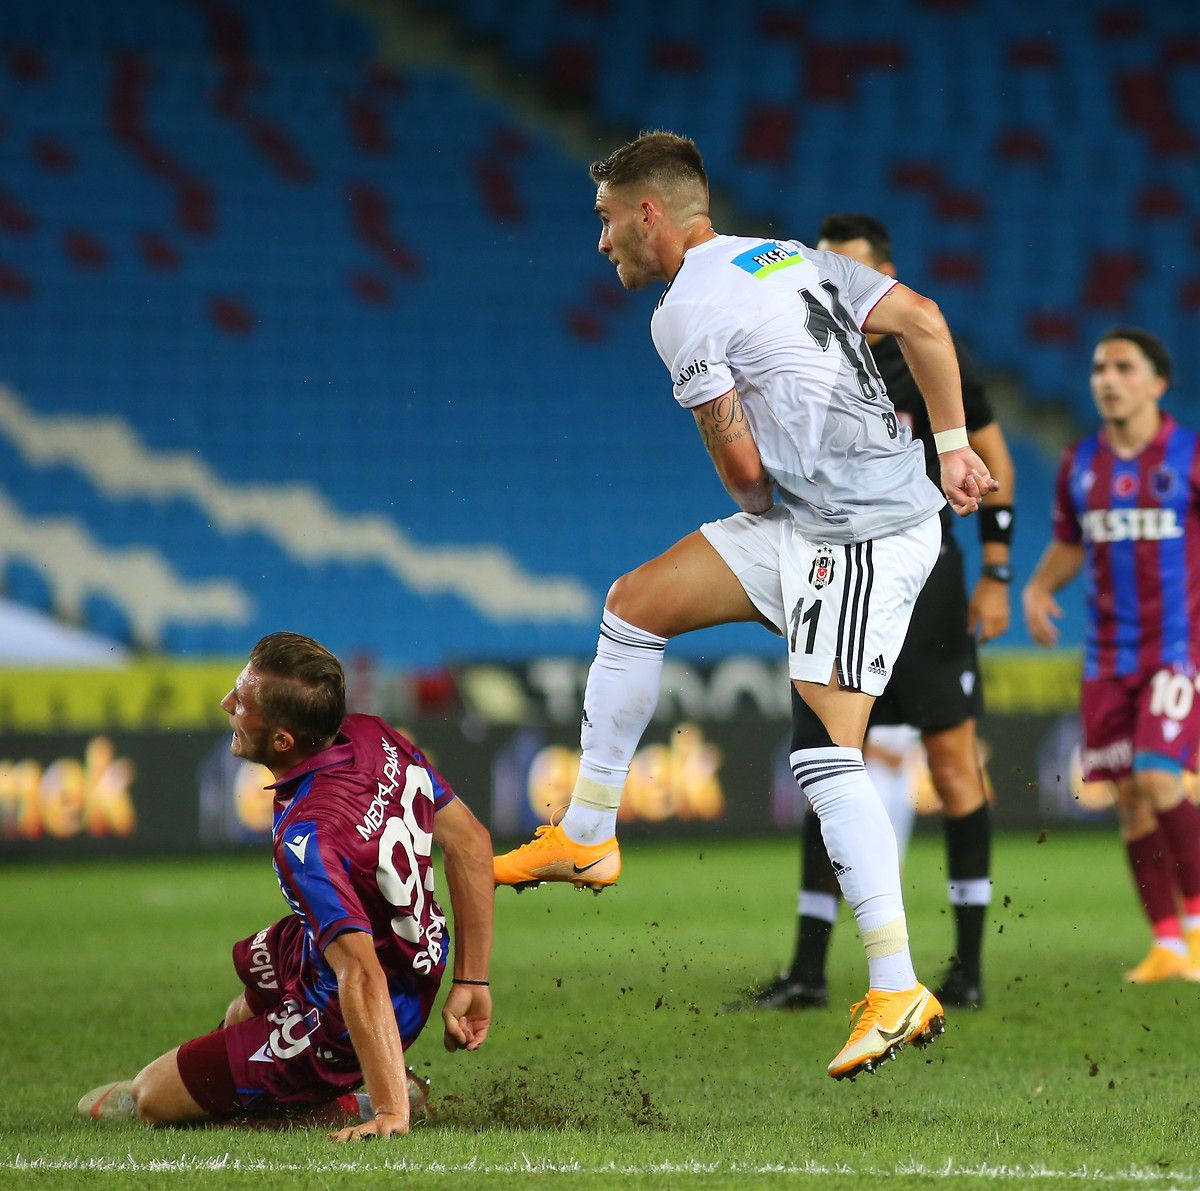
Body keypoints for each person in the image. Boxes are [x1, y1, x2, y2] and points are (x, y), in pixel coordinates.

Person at [493, 132, 998, 1080]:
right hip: (828, 514)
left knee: (821, 753)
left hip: (859, 532)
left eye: (606, 220)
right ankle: (590, 832)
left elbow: (743, 476)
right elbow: (926, 319)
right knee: (635, 603)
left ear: (651, 212)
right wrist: (956, 443)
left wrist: (779, 501)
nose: (601, 242)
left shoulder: (685, 310)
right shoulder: (788, 256)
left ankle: (896, 987)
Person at [740, 214, 1016, 1014]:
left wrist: (997, 572)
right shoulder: (808, 360)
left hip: (927, 581)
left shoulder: (932, 362)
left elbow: (994, 465)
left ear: (886, 274)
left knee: (956, 766)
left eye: (855, 273)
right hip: (833, 569)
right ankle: (807, 969)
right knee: (830, 760)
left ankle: (965, 966)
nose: (841, 291)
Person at [77, 632, 494, 1140]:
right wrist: (472, 981)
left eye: (242, 702)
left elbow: (361, 974)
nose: (225, 704)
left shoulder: (308, 836)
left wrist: (389, 1113)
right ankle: (260, 1080)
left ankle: (358, 1099)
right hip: (397, 943)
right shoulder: (372, 733)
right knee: (238, 1015)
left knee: (150, 1101)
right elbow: (471, 842)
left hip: (365, 992)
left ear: (282, 741)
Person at [1023, 328, 1200, 984]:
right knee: (1128, 797)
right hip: (1106, 658)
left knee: (1159, 776)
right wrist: (1040, 586)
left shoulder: (1189, 456)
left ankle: (1199, 927)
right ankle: (1166, 944)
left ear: (1157, 383)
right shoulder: (1081, 463)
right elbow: (1072, 539)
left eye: (1123, 367)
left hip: (1178, 650)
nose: (1106, 378)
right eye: (1099, 366)